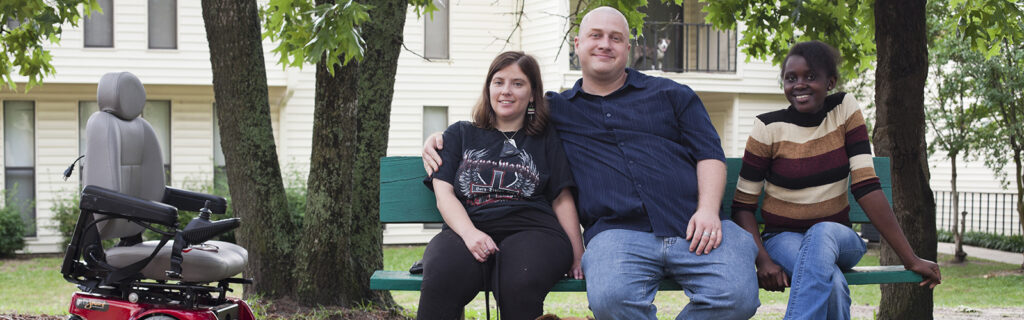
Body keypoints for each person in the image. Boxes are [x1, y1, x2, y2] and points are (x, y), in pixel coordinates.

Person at [424, 7, 759, 319]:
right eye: (595, 35)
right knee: (611, 301)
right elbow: (501, 119)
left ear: (629, 47)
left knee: (737, 296)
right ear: (578, 44)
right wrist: (439, 139)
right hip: (617, 233)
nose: (605, 44)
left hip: (694, 226)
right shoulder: (555, 111)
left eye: (615, 38)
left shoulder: (673, 95)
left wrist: (708, 210)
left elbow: (709, 154)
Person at [731, 40, 942, 320]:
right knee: (832, 283)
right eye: (791, 78)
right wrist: (764, 260)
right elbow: (742, 205)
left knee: (822, 232)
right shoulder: (767, 127)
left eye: (810, 76)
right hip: (782, 238)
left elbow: (866, 186)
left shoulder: (844, 109)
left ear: (830, 82)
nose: (800, 84)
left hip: (840, 238)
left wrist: (910, 259)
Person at [417, 51, 585, 320]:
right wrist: (471, 234)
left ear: (532, 94)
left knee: (520, 281)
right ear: (488, 88)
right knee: (442, 275)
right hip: (466, 229)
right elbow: (444, 194)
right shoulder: (459, 134)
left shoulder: (545, 138)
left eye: (518, 84)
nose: (506, 91)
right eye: (499, 82)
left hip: (535, 231)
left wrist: (578, 254)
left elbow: (561, 198)